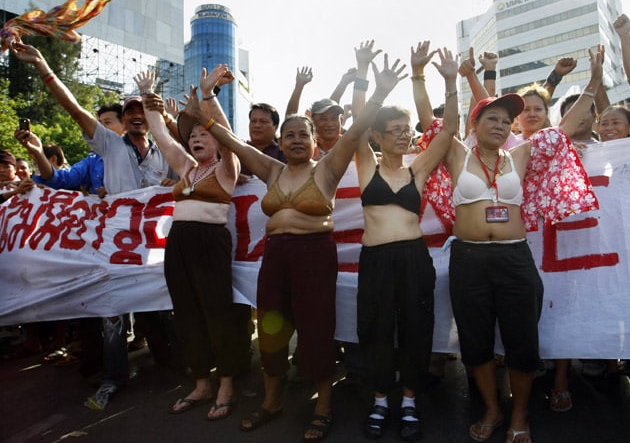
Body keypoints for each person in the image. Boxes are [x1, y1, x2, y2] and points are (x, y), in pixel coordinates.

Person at [192, 53, 405, 442]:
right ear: (281, 141)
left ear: (313, 141)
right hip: (276, 258)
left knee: (316, 329)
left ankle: (323, 405)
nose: (294, 140)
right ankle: (272, 401)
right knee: (271, 332)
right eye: (288, 134)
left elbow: (356, 128)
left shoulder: (328, 167)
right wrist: (206, 107)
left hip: (314, 256)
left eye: (301, 134)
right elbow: (231, 141)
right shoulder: (270, 169)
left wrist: (381, 91)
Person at [443, 46, 604, 443]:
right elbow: (447, 125)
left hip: (515, 259)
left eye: (506, 120)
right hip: (469, 260)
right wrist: (451, 81)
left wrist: (595, 81)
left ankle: (519, 415)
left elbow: (564, 126)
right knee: (476, 342)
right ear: (474, 122)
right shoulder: (455, 153)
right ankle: (492, 408)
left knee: (522, 343)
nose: (501, 125)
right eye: (492, 119)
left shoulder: (520, 156)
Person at [10, 41, 175, 410]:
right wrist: (42, 65)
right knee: (112, 312)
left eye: (142, 110)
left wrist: (173, 184)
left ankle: (172, 366)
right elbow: (73, 108)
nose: (135, 115)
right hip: (116, 248)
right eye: (130, 110)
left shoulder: (166, 152)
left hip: (155, 248)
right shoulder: (110, 145)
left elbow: (190, 176)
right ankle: (113, 377)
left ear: (151, 116)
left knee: (158, 308)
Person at [354, 42, 458, 442]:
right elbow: (358, 126)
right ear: (379, 136)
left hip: (414, 258)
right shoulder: (366, 165)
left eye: (406, 129)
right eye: (393, 130)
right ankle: (381, 399)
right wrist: (367, 77)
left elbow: (448, 130)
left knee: (417, 326)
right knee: (375, 328)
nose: (402, 135)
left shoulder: (418, 170)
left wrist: (448, 80)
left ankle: (410, 400)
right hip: (376, 259)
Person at [134, 66, 244, 421]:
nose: (196, 138)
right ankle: (201, 382)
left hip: (210, 243)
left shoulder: (228, 167)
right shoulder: (185, 167)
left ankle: (226, 384)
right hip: (178, 243)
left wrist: (208, 98)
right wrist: (149, 98)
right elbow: (162, 137)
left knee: (217, 312)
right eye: (192, 135)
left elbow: (228, 137)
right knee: (186, 313)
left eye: (203, 134)